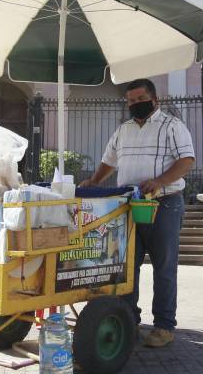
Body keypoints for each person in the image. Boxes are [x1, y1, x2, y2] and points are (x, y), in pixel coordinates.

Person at [79, 78, 194, 348]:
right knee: (127, 267)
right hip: (129, 206)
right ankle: (129, 321)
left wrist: (160, 182)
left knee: (164, 267)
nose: (135, 104)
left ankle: (164, 326)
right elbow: (109, 161)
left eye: (140, 99)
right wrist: (94, 181)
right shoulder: (123, 130)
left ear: (155, 100)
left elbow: (187, 160)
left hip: (164, 204)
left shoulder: (172, 126)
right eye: (130, 101)